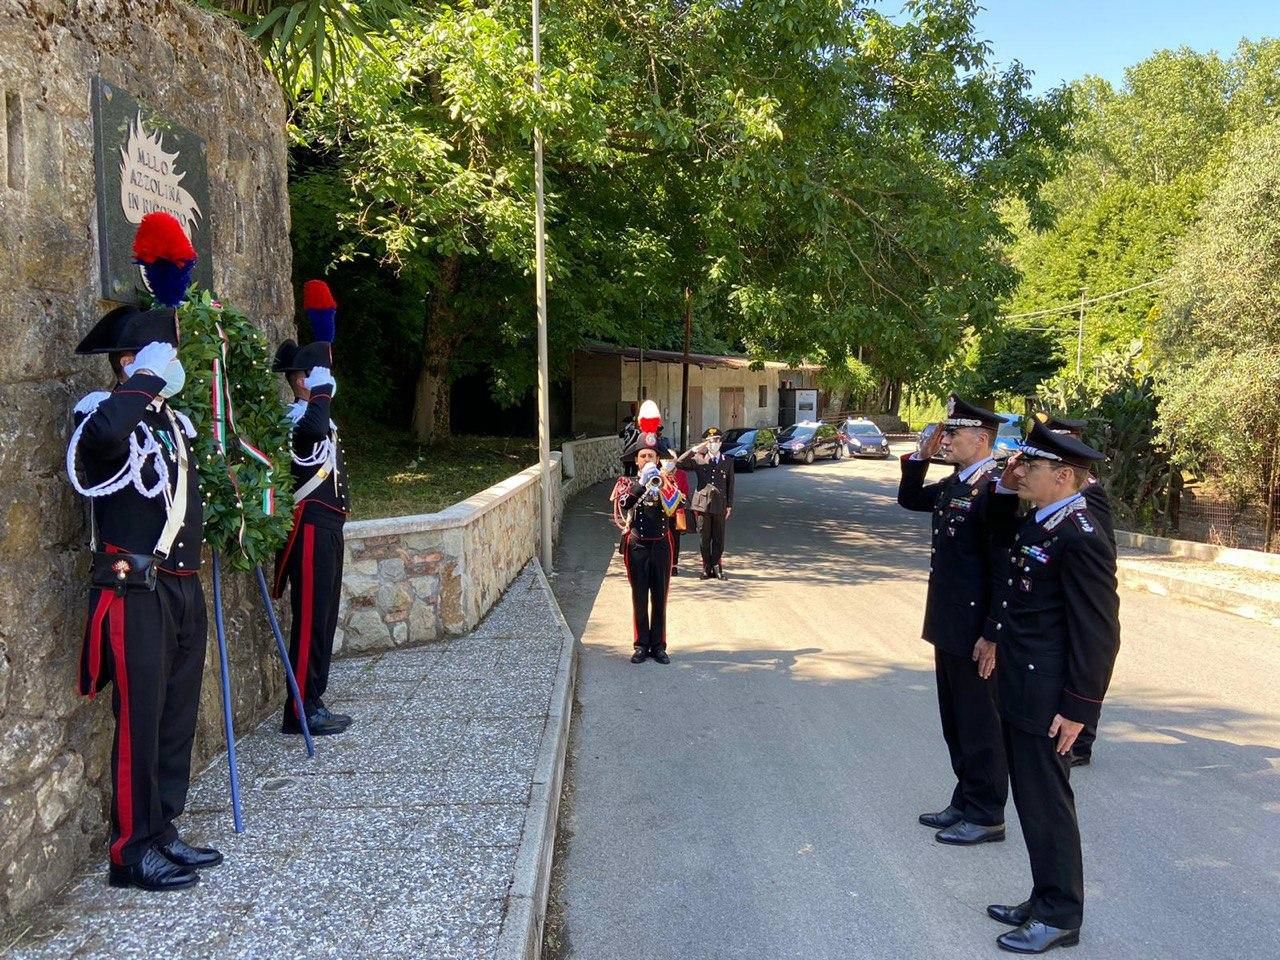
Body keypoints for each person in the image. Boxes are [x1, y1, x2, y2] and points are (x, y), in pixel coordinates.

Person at [67, 298, 221, 891]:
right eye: (163, 356)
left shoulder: (168, 423)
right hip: (134, 590)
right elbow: (104, 440)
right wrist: (146, 377)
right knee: (140, 720)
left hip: (179, 586)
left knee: (175, 716)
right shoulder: (100, 414)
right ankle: (130, 851)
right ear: (132, 362)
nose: (173, 366)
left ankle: (162, 829)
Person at [983, 422, 1121, 955]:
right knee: (1032, 800)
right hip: (1023, 684)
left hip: (1048, 695)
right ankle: (1043, 898)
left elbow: (1098, 632)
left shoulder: (1080, 534)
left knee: (1048, 804)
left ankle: (1060, 914)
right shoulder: (1042, 521)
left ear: (1063, 476)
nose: (1019, 472)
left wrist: (1079, 708)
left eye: (1031, 466)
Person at [897, 394, 1009, 846]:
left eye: (953, 433)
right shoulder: (957, 483)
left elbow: (1003, 567)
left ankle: (987, 813)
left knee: (980, 722)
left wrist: (993, 633)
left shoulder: (996, 489)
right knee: (956, 720)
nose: (945, 439)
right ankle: (966, 798)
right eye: (944, 433)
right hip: (949, 622)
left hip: (975, 628)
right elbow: (910, 498)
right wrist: (919, 456)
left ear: (981, 439)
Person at [271, 280, 352, 737]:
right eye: (318, 374)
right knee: (309, 618)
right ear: (303, 380)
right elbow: (312, 433)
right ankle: (300, 708)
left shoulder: (315, 415)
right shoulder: (298, 418)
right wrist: (320, 393)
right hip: (309, 526)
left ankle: (314, 698)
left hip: (328, 525)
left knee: (324, 615)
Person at [1034, 412, 1116, 766]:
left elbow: (1099, 543)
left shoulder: (1088, 490)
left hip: (1084, 583)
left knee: (1085, 656)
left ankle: (1081, 742)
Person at [613, 439, 683, 663]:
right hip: (638, 546)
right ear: (636, 460)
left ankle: (659, 645)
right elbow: (623, 504)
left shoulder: (666, 480)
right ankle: (641, 645)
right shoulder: (627, 482)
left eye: (650, 456)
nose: (646, 460)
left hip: (661, 545)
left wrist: (664, 482)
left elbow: (679, 505)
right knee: (640, 596)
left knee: (660, 597)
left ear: (657, 459)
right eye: (642, 456)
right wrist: (642, 484)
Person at [677, 427, 735, 580]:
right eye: (710, 441)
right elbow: (679, 463)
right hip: (702, 504)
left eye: (716, 440)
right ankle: (706, 566)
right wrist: (694, 450)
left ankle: (717, 566)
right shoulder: (699, 459)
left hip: (720, 504)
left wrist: (729, 505)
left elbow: (730, 484)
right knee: (704, 538)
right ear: (706, 444)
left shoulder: (728, 461)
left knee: (719, 538)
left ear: (720, 443)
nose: (713, 443)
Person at [661, 453, 692, 575]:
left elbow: (685, 492)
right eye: (665, 459)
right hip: (661, 513)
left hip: (676, 513)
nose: (667, 462)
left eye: (670, 460)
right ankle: (663, 564)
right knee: (661, 540)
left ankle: (674, 565)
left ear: (675, 461)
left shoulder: (681, 474)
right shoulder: (657, 474)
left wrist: (676, 492)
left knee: (675, 540)